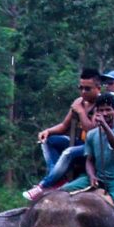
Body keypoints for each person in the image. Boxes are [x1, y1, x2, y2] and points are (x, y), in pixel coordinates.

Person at [24, 68, 101, 202]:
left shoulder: (101, 104)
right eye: (81, 88)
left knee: (68, 152)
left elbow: (92, 130)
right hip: (80, 143)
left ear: (98, 88)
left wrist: (81, 112)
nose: (83, 92)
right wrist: (48, 131)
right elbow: (64, 126)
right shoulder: (80, 102)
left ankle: (43, 185)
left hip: (94, 147)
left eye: (87, 89)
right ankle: (58, 179)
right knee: (49, 141)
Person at [61, 94, 114, 217]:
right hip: (98, 177)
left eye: (108, 109)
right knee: (62, 191)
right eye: (101, 110)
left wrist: (105, 126)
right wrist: (91, 176)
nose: (104, 113)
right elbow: (89, 160)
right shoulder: (92, 134)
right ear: (96, 112)